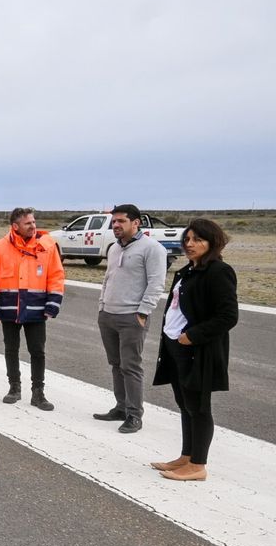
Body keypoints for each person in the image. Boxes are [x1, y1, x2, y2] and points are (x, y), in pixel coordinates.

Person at [150, 219, 238, 481]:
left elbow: (228, 316)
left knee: (199, 408)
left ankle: (198, 465)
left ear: (212, 242)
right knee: (185, 404)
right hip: (175, 347)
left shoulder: (218, 271)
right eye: (187, 239)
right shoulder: (188, 270)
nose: (190, 244)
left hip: (197, 350)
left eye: (197, 239)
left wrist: (192, 336)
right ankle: (186, 456)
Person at [93, 203, 167, 433]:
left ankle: (135, 415)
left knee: (131, 367)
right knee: (116, 365)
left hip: (132, 318)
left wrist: (143, 312)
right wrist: (102, 306)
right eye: (113, 221)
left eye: (121, 221)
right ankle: (121, 407)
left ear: (136, 223)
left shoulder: (152, 249)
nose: (115, 225)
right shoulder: (114, 248)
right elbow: (108, 279)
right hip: (109, 316)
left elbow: (156, 284)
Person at [0, 207, 65, 409]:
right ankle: (14, 388)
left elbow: (56, 275)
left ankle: (38, 393)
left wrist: (52, 305)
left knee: (38, 351)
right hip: (8, 307)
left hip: (37, 308)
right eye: (28, 223)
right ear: (15, 226)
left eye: (34, 222)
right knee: (11, 349)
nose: (33, 226)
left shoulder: (48, 246)